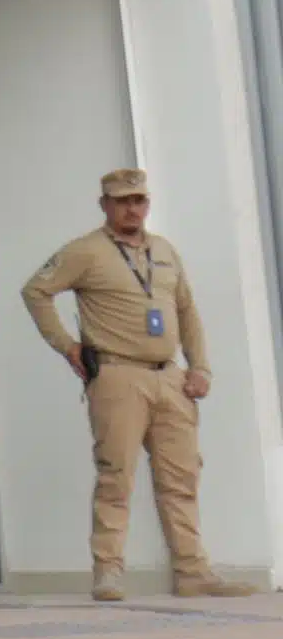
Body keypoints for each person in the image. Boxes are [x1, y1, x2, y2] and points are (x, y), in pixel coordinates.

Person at [21, 171, 245, 600]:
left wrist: (200, 367)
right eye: (122, 201)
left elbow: (187, 311)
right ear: (104, 204)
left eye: (139, 200)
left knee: (181, 478)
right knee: (116, 475)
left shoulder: (164, 251)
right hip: (118, 376)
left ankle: (193, 571)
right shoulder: (86, 251)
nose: (132, 209)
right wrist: (66, 346)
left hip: (170, 377)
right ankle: (109, 571)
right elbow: (36, 291)